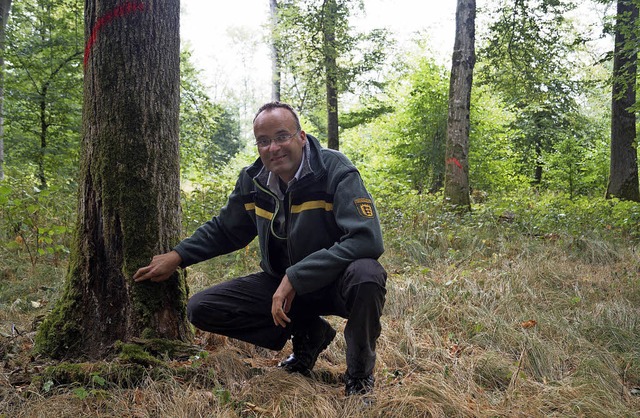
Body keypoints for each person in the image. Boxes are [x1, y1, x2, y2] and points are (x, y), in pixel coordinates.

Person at [133, 101, 387, 396]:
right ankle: (310, 333)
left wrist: (296, 277)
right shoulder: (253, 181)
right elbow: (226, 230)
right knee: (201, 308)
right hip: (281, 287)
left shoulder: (335, 171)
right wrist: (178, 256)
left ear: (301, 137)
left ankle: (358, 377)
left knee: (367, 273)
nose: (273, 148)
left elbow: (367, 239)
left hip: (335, 283)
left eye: (282, 136)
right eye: (263, 141)